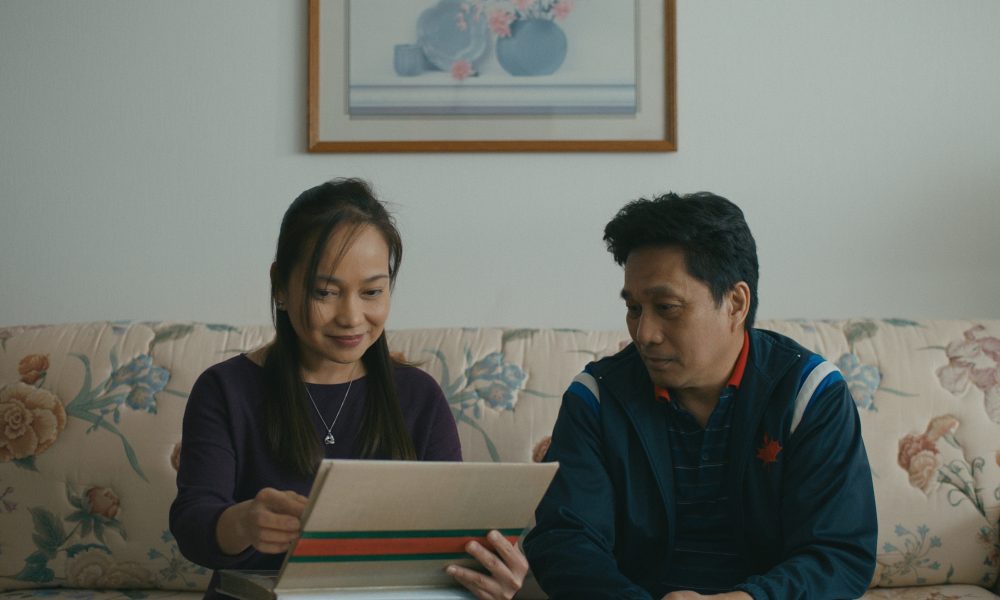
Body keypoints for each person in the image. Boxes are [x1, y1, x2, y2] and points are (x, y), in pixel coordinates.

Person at [169, 179, 526, 600]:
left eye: (372, 291)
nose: (352, 316)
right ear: (281, 286)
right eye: (326, 292)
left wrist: (495, 574)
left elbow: (449, 542)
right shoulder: (225, 389)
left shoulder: (419, 396)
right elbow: (194, 524)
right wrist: (243, 523)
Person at [523, 192, 877, 599]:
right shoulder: (597, 398)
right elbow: (565, 541)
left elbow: (839, 553)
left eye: (668, 307)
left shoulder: (810, 395)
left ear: (735, 303)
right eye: (635, 308)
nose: (644, 334)